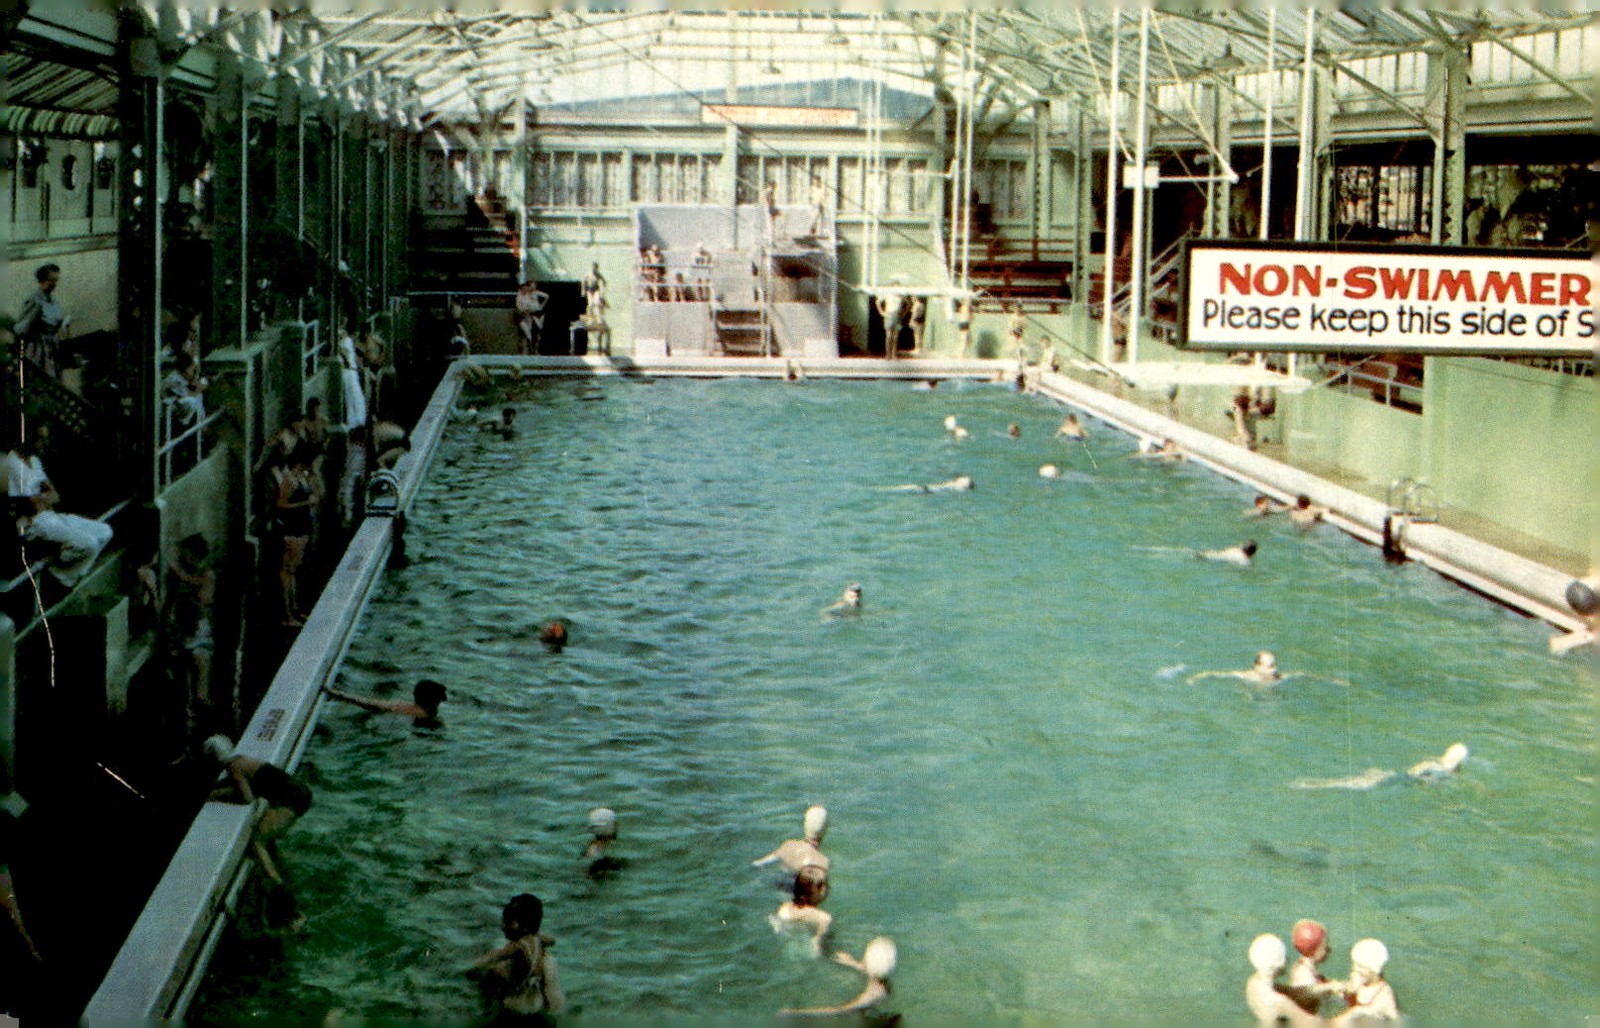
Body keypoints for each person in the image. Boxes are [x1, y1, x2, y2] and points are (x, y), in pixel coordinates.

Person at [206, 736, 313, 927]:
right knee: (267, 838)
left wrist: (217, 796)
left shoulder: (233, 768)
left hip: (289, 799)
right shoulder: (243, 759)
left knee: (258, 841)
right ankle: (280, 880)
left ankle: (279, 888)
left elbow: (247, 797)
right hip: (299, 792)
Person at [6, 427, 114, 585]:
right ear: (29, 438)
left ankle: (65, 569)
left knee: (105, 532)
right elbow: (31, 505)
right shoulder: (13, 462)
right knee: (89, 544)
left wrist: (41, 499)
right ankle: (61, 577)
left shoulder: (35, 460)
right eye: (41, 439)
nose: (45, 443)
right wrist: (43, 497)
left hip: (50, 515)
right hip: (33, 524)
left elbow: (55, 495)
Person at [469, 893, 566, 1020]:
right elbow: (552, 941)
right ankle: (547, 1004)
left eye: (508, 922)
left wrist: (475, 965)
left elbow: (496, 956)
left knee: (491, 973)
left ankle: (486, 1010)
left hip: (518, 991)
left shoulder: (518, 946)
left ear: (523, 925)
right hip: (534, 983)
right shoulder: (538, 939)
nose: (503, 927)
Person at [163, 533, 216, 741]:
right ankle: (190, 728)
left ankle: (201, 727)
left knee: (200, 690)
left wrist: (180, 574)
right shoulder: (191, 574)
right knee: (184, 691)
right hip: (185, 632)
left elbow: (203, 598)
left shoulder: (205, 574)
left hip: (197, 632)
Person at [780, 937, 896, 1017]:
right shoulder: (881, 982)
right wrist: (851, 962)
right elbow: (868, 970)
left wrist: (798, 1013)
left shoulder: (872, 995)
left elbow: (839, 1011)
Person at [272, 442, 322, 626]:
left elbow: (319, 493)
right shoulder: (290, 479)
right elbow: (281, 505)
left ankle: (295, 610)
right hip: (292, 529)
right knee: (288, 571)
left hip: (303, 528)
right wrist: (305, 504)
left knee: (294, 571)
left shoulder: (304, 477)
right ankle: (288, 614)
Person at [1291, 742, 1469, 791]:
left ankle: (1312, 784)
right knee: (1351, 784)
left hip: (1394, 775)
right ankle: (1310, 785)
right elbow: (1416, 776)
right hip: (1395, 779)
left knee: (1350, 782)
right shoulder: (1439, 769)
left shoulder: (1434, 762)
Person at [1244, 933, 1320, 1026]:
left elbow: (1291, 992)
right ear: (1279, 964)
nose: (1287, 959)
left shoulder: (1254, 983)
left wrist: (1327, 988)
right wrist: (1343, 1015)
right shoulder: (1280, 1002)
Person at [1328, 938, 1400, 1024]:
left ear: (1374, 971)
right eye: (1354, 964)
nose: (1355, 968)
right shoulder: (1359, 979)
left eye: (1361, 966)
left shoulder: (1384, 996)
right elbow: (1345, 993)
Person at [14, 263, 67, 376]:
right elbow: (20, 328)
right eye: (51, 280)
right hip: (39, 349)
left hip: (53, 347)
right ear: (42, 280)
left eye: (56, 280)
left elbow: (55, 322)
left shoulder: (53, 301)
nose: (54, 284)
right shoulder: (35, 301)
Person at [323, 678, 448, 725]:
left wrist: (340, 695)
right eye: (439, 700)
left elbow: (369, 703)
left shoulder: (405, 705)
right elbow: (370, 704)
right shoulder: (415, 713)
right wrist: (339, 695)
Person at [1283, 919, 1342, 1017]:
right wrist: (1330, 987)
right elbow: (1306, 993)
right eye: (1324, 946)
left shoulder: (1306, 968)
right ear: (1313, 949)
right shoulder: (1303, 974)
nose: (1328, 949)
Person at [769, 864, 832, 957]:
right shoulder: (824, 918)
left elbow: (775, 924)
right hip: (808, 953)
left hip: (787, 946)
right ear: (821, 890)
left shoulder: (783, 908)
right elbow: (820, 945)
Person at [753, 804, 830, 876]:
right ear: (825, 830)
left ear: (805, 825)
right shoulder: (822, 862)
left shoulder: (788, 845)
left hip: (778, 883)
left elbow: (759, 863)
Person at [160, 352, 210, 426]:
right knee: (192, 401)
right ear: (185, 369)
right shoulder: (174, 378)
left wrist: (197, 381)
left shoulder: (184, 378)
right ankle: (187, 425)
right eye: (192, 369)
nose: (194, 371)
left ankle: (201, 424)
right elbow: (185, 394)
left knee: (198, 397)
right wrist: (196, 387)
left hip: (178, 405)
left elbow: (202, 384)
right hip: (169, 407)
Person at [337, 318, 368, 433]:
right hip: (347, 371)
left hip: (352, 370)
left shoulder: (347, 338)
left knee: (357, 397)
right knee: (352, 398)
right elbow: (344, 353)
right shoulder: (341, 337)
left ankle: (359, 422)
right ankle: (355, 424)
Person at [1188, 651, 1286, 686]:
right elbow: (1214, 674)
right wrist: (1194, 678)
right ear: (1257, 667)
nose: (1275, 669)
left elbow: (1296, 675)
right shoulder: (1248, 676)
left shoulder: (1278, 677)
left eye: (1274, 665)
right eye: (1270, 666)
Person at [514, 280, 548, 355]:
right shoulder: (519, 296)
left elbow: (545, 297)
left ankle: (534, 351)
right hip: (523, 317)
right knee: (526, 335)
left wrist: (540, 307)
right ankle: (524, 351)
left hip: (532, 316)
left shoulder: (532, 294)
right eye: (529, 287)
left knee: (535, 334)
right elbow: (520, 307)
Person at [882, 474, 973, 493]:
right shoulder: (954, 485)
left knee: (909, 488)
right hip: (928, 489)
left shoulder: (957, 487)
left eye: (965, 479)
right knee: (908, 487)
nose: (964, 478)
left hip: (928, 490)